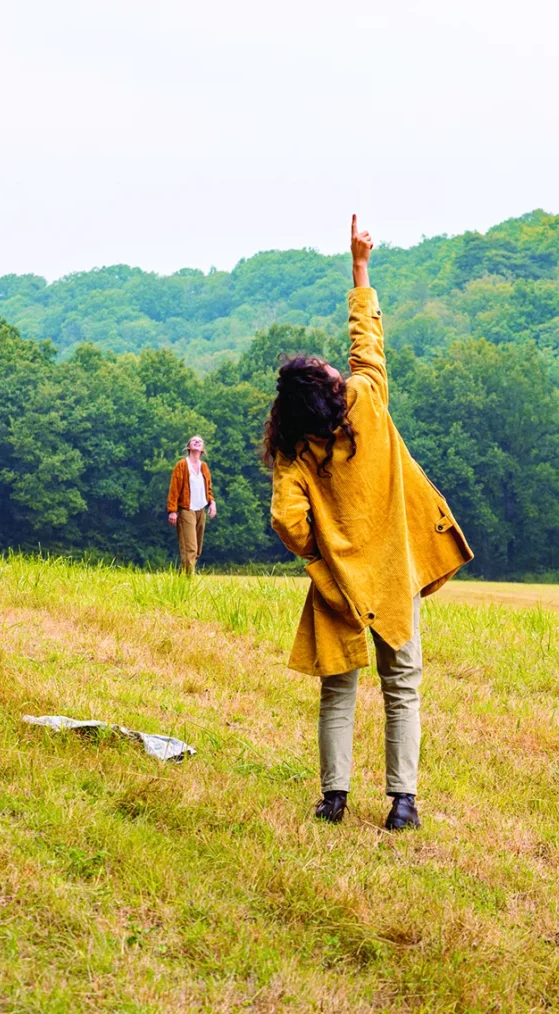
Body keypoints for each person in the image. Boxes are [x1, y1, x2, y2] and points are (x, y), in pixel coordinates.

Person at [267, 215, 473, 831]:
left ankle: (333, 800)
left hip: (339, 584)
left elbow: (286, 519)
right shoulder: (366, 400)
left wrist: (324, 553)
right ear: (333, 393)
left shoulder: (292, 449)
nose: (340, 370)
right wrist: (360, 268)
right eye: (331, 372)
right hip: (394, 572)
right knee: (402, 685)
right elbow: (368, 343)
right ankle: (402, 803)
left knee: (339, 688)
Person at [166, 435, 216, 574]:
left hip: (201, 510)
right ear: (189, 447)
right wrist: (172, 511)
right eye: (194, 440)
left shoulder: (204, 467)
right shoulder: (182, 465)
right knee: (190, 549)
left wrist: (212, 502)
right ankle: (189, 582)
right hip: (186, 510)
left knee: (197, 550)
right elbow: (174, 489)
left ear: (202, 449)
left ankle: (181, 581)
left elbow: (209, 488)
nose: (197, 441)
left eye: (200, 441)